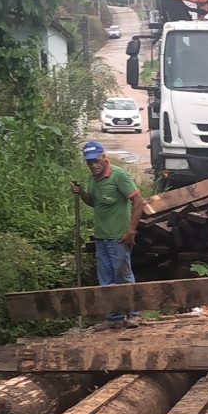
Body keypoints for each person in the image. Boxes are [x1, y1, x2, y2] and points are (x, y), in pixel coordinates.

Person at [70, 141, 145, 330]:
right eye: (89, 163)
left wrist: (131, 231)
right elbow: (95, 203)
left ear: (104, 157)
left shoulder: (118, 176)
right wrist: (81, 194)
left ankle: (133, 314)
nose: (93, 165)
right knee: (105, 278)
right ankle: (114, 317)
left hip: (118, 236)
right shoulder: (92, 179)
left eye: (96, 161)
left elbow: (138, 201)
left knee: (123, 276)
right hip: (101, 237)